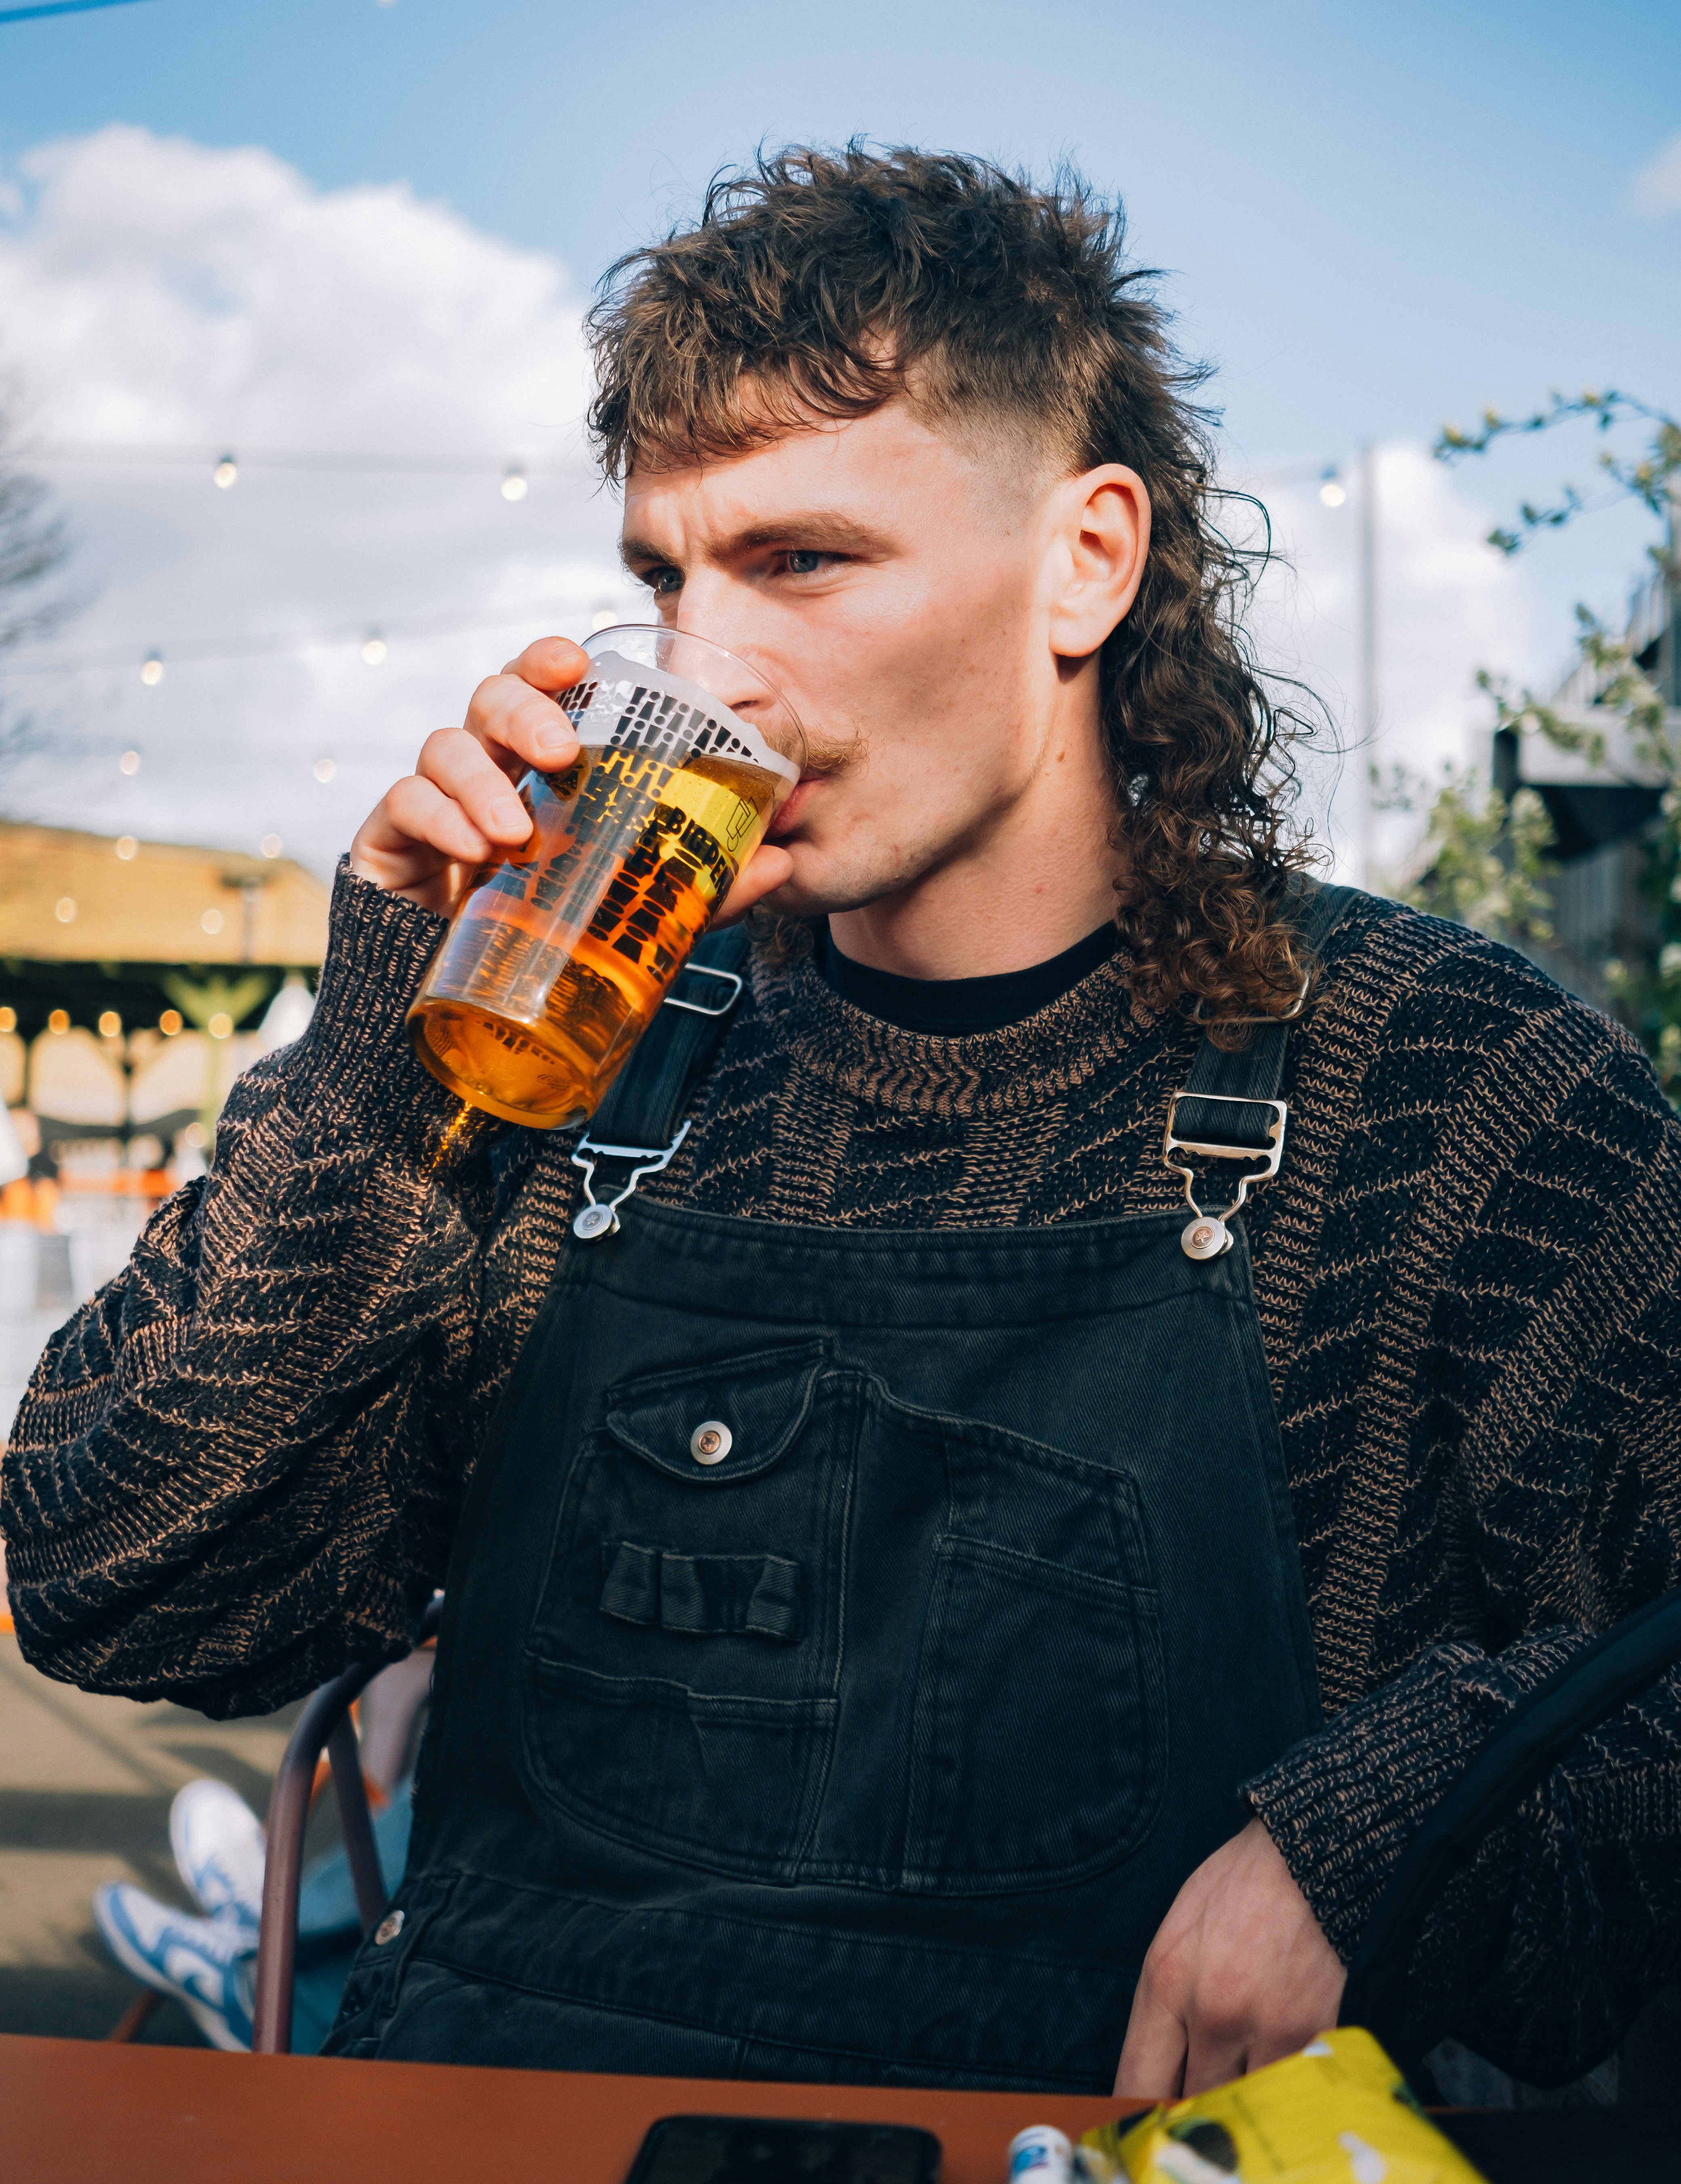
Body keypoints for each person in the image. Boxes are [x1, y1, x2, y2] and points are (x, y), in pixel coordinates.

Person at [5, 146, 1679, 2098]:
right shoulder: (579, 1066)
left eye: (800, 562)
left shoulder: (1443, 1084)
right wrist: (383, 1054)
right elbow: (119, 1584)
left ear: (1085, 561)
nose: (700, 672)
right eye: (663, 579)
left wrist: (1386, 1831)